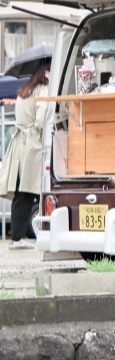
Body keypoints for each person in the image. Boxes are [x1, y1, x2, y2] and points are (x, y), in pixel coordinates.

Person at [1, 65, 49, 249]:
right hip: (33, 145)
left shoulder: (24, 91)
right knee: (34, 190)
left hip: (19, 143)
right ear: (45, 73)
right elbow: (41, 119)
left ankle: (17, 237)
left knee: (22, 192)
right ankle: (24, 236)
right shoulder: (43, 90)